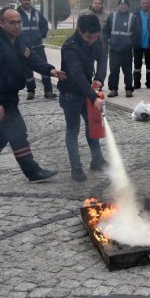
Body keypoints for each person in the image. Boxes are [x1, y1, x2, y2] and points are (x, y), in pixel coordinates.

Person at [0, 7, 65, 182]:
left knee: (2, 132)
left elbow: (32, 58)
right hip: (1, 96)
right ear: (1, 23)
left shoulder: (21, 39)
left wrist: (50, 70)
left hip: (11, 92)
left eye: (19, 22)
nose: (17, 26)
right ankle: (32, 172)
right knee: (17, 131)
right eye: (12, 22)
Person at [58, 14, 108, 182]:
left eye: (95, 37)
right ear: (80, 31)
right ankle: (76, 168)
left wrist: (99, 79)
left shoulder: (95, 39)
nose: (92, 41)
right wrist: (94, 97)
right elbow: (77, 75)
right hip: (71, 94)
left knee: (92, 126)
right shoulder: (69, 47)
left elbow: (102, 58)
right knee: (73, 130)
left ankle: (97, 160)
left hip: (88, 92)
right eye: (88, 37)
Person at [17, 0, 55, 100]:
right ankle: (31, 91)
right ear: (21, 1)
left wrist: (41, 35)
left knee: (44, 67)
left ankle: (48, 91)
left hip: (38, 46)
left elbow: (44, 25)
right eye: (24, 0)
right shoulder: (17, 14)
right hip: (24, 47)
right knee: (27, 70)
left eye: (28, 0)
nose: (27, 2)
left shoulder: (37, 13)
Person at [103, 0, 139, 98]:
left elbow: (136, 34)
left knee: (127, 71)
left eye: (125, 5)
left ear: (128, 6)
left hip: (126, 50)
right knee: (114, 70)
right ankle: (113, 89)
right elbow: (105, 31)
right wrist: (109, 40)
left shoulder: (133, 17)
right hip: (114, 49)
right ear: (118, 5)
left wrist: (130, 43)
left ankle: (128, 89)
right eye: (121, 4)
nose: (123, 6)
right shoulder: (112, 16)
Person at [133, 0, 150, 90]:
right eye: (143, 3)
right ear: (140, 4)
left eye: (147, 3)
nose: (145, 5)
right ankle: (136, 83)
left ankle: (149, 83)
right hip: (138, 44)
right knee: (137, 65)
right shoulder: (135, 15)